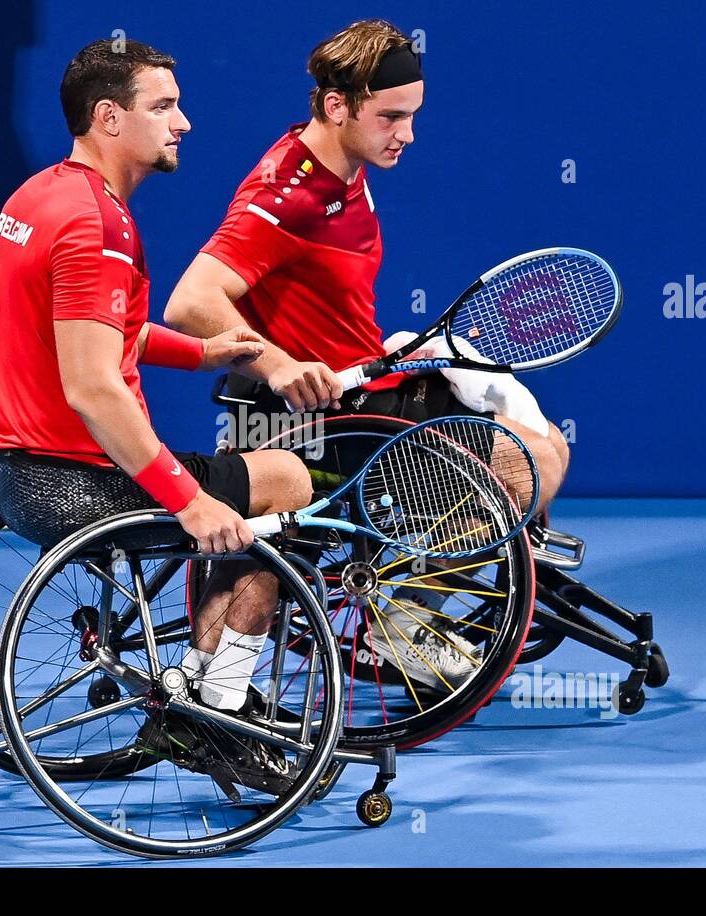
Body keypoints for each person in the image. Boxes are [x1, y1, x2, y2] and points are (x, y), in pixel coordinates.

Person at [164, 19, 570, 691]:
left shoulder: (342, 168)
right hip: (331, 426)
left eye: (411, 116)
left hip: (368, 390)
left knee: (543, 444)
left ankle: (417, 597)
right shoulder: (286, 196)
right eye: (391, 117)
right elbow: (191, 302)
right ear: (336, 106)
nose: (406, 134)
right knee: (528, 465)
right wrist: (280, 366)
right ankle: (404, 621)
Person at [0, 40, 313, 761]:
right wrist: (188, 501)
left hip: (16, 472)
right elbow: (92, 385)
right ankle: (215, 706)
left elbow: (88, 334)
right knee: (285, 479)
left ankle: (195, 682)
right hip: (80, 480)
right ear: (108, 118)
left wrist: (198, 352)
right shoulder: (98, 225)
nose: (183, 122)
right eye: (162, 106)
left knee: (238, 476)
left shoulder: (36, 197)